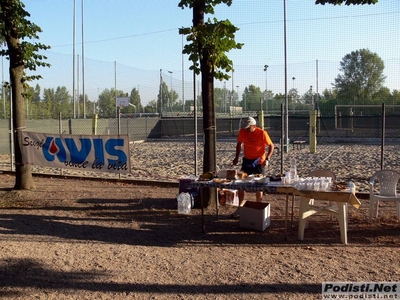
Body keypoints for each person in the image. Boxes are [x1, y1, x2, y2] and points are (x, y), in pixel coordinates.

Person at [231, 116, 274, 218]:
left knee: (259, 186)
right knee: (240, 184)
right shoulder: (242, 132)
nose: (245, 129)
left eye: (248, 127)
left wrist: (267, 159)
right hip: (247, 160)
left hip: (259, 161)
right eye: (244, 127)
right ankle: (240, 207)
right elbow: (239, 144)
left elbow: (271, 145)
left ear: (254, 126)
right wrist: (236, 157)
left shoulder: (262, 133)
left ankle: (258, 206)